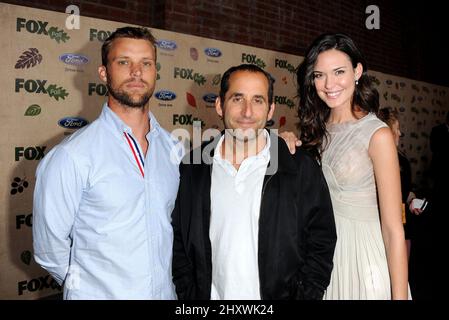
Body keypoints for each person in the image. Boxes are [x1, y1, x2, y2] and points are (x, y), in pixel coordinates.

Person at [33, 27, 183, 299]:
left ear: (155, 72)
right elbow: (49, 250)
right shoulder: (72, 156)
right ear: (104, 72)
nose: (136, 72)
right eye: (124, 62)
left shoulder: (174, 149)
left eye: (146, 63)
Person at [171, 64, 337, 300]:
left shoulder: (299, 167)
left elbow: (321, 241)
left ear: (270, 110)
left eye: (258, 100)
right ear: (220, 104)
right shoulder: (193, 168)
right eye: (237, 98)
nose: (247, 112)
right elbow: (180, 241)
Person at [296, 33, 409, 299]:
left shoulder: (376, 135)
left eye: (339, 72)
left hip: (365, 260)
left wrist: (400, 296)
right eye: (319, 75)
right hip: (322, 258)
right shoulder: (314, 132)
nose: (329, 84)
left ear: (357, 71)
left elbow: (393, 229)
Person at [378, 107, 423, 261]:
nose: (400, 134)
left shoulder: (403, 161)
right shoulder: (373, 162)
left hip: (403, 224)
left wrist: (412, 201)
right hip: (379, 229)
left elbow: (407, 192)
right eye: (396, 129)